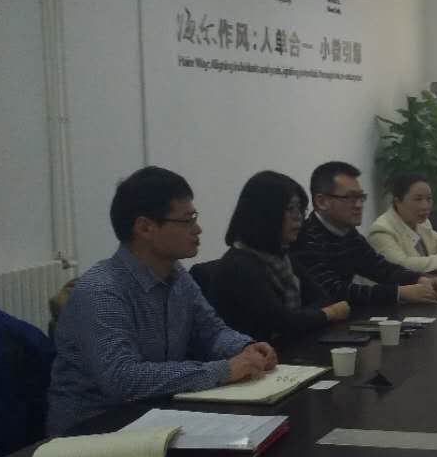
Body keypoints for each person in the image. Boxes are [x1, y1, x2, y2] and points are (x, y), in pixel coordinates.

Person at [47, 167, 276, 435]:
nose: (198, 229)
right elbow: (122, 379)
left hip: (155, 416)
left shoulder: (177, 275)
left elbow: (211, 332)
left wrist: (246, 348)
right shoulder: (101, 290)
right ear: (145, 227)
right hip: (93, 431)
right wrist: (223, 370)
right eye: (187, 220)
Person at [206, 171, 351, 342]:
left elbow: (322, 299)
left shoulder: (281, 256)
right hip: (255, 354)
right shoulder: (239, 265)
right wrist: (329, 313)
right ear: (264, 214)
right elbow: (283, 322)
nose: (298, 217)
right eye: (290, 209)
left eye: (300, 209)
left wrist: (309, 317)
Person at [291, 161, 437, 309]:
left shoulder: (348, 233)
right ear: (322, 202)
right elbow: (333, 291)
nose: (359, 205)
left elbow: (380, 267)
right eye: (350, 197)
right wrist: (399, 293)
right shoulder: (305, 238)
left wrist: (420, 279)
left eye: (361, 197)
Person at [367, 171, 437, 274]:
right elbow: (402, 265)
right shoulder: (381, 231)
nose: (425, 206)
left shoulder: (422, 223)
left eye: (429, 199)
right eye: (418, 199)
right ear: (398, 202)